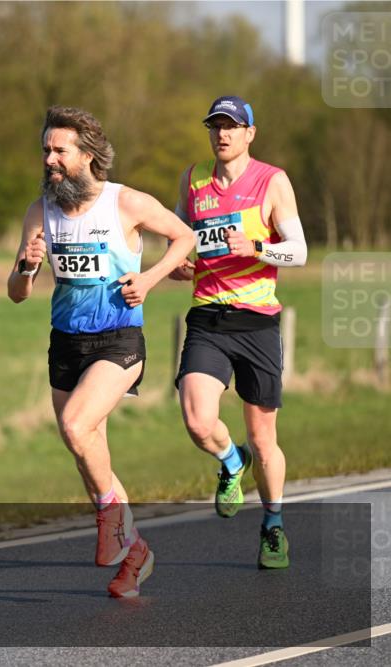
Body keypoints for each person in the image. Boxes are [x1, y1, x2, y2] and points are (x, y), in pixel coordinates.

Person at [8, 106, 194, 597]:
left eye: (58, 150)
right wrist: (26, 267)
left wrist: (150, 278)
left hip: (118, 338)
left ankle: (112, 522)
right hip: (66, 341)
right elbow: (17, 293)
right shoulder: (39, 210)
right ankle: (136, 553)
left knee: (75, 426)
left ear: (87, 155)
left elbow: (184, 236)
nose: (48, 158)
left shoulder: (126, 203)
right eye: (45, 149)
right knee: (86, 452)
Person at [169, 95, 307, 569]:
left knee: (263, 436)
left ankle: (273, 523)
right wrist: (177, 265)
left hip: (257, 321)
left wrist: (258, 247)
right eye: (215, 126)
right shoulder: (193, 180)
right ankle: (231, 461)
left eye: (231, 126)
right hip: (208, 317)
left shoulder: (273, 182)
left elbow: (300, 252)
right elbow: (180, 239)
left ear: (250, 133)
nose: (222, 134)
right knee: (197, 420)